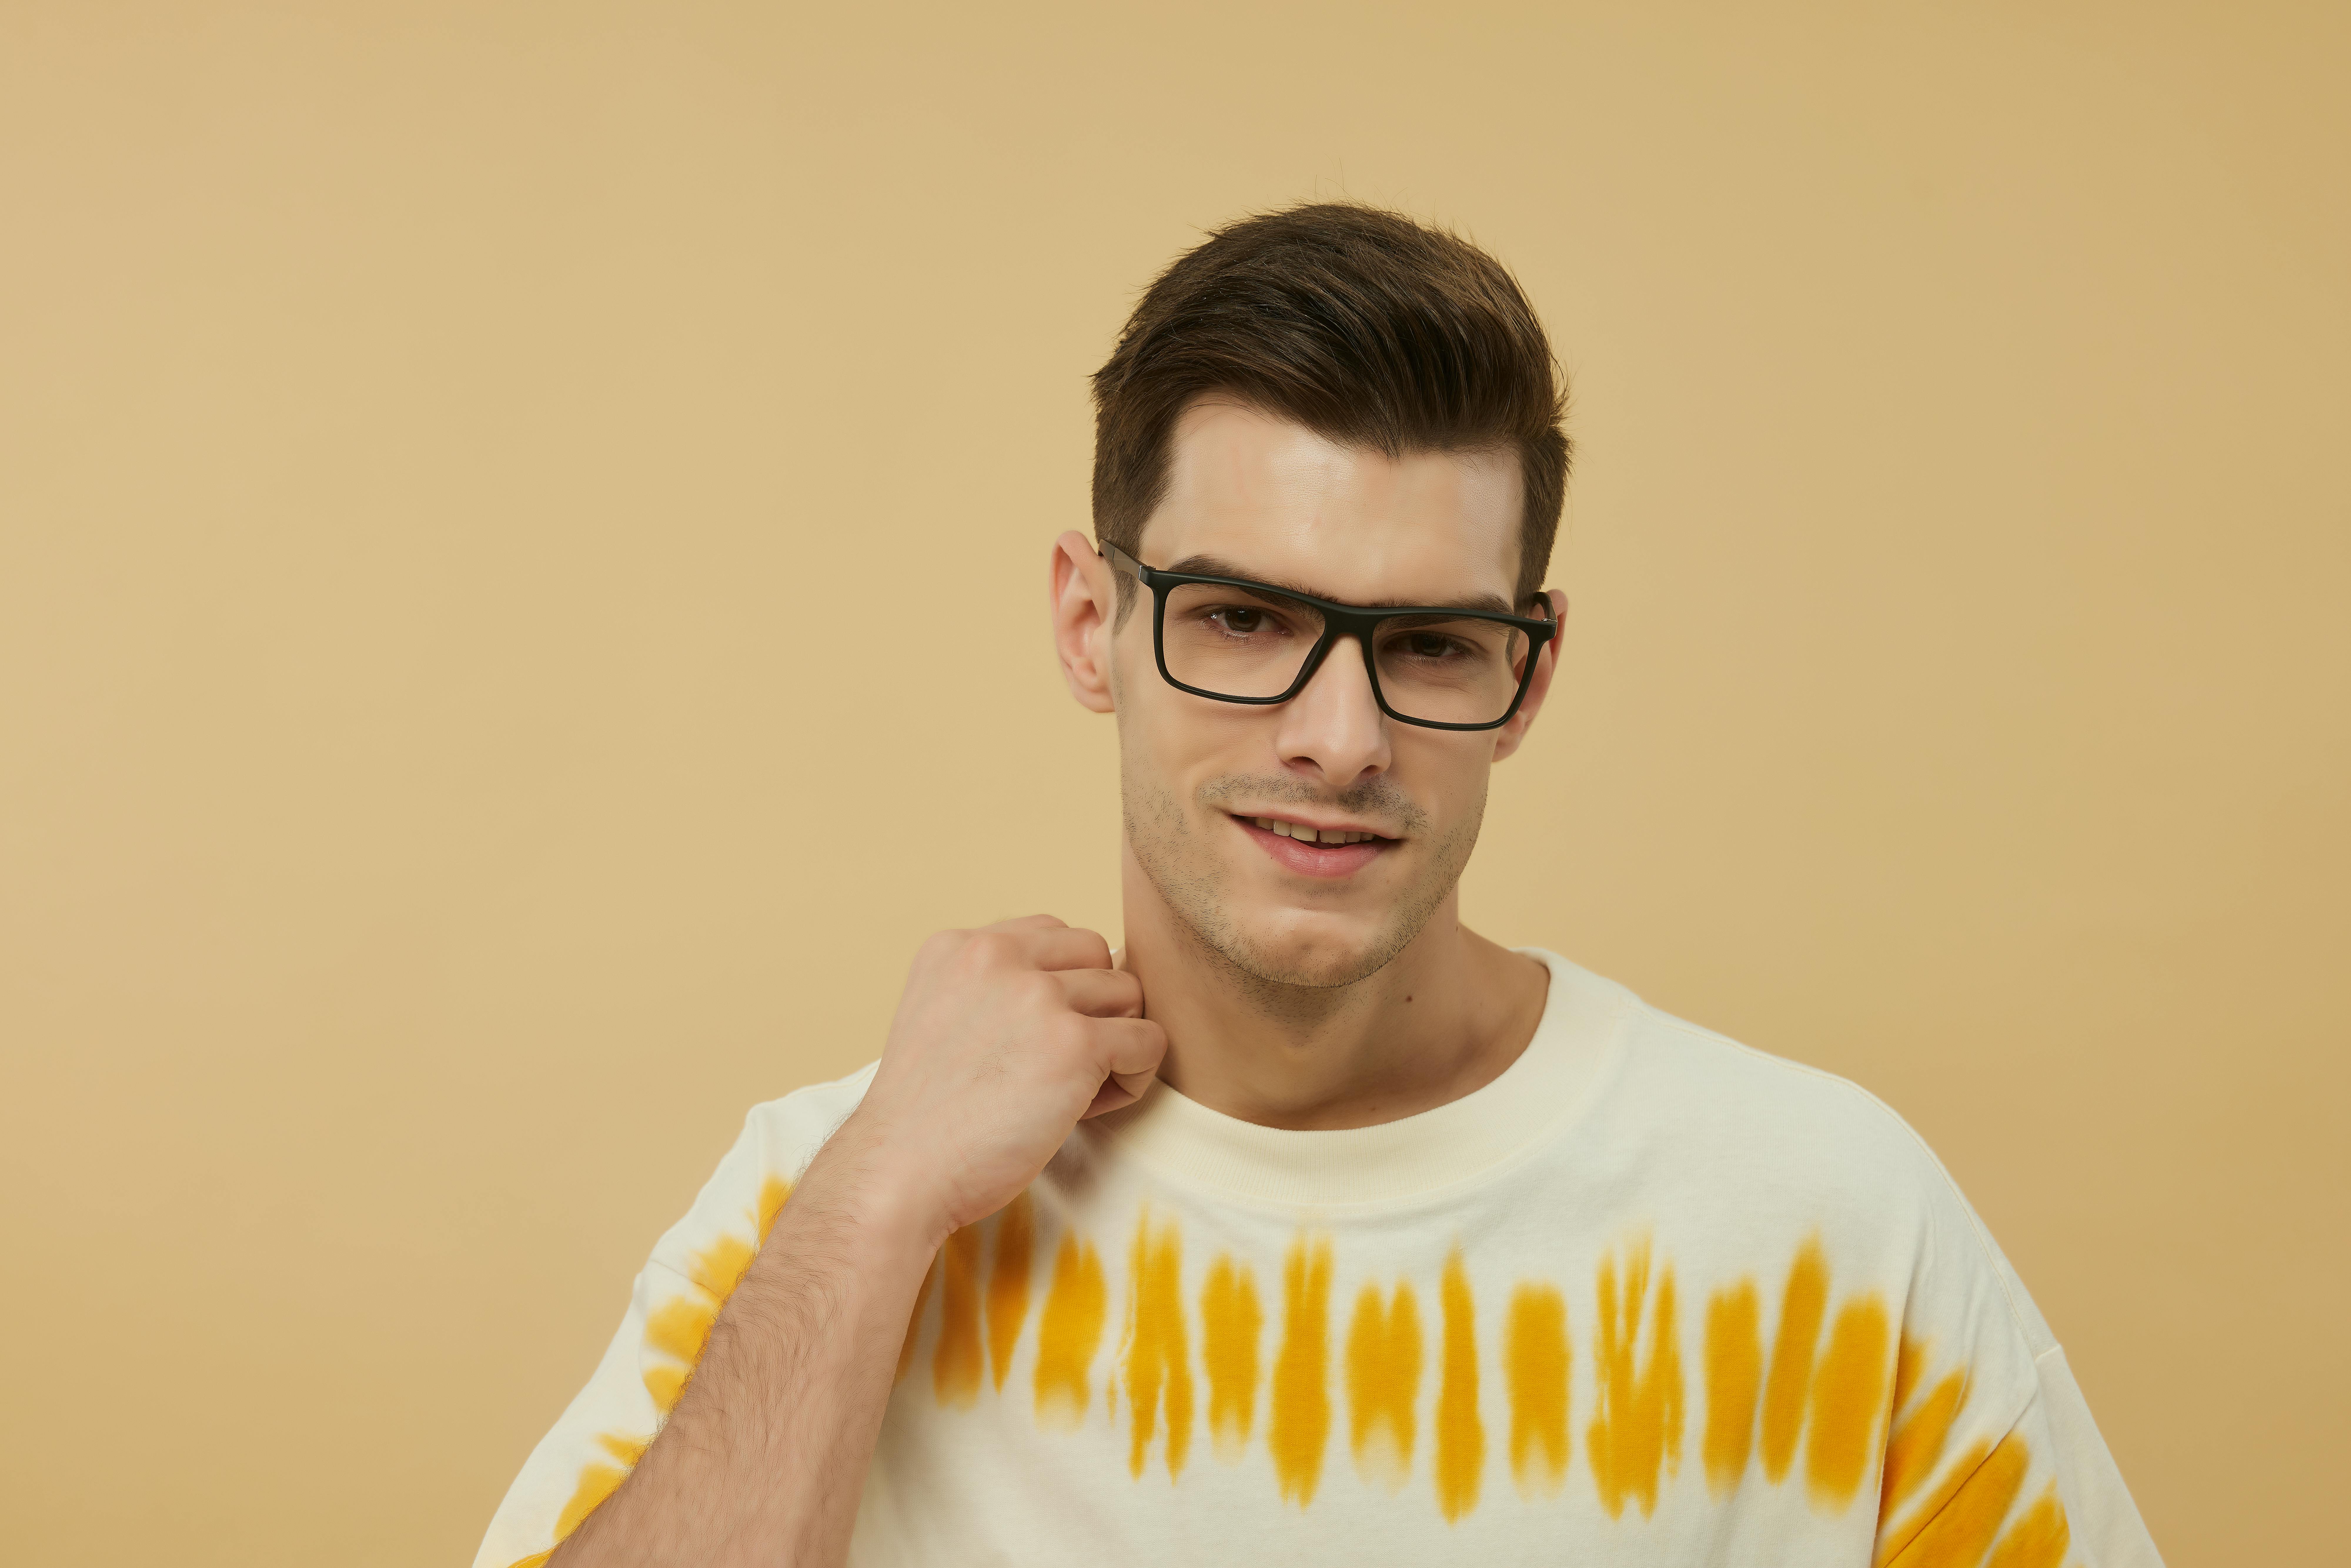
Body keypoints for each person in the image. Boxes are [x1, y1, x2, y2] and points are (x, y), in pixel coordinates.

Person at [473, 204, 2161, 1568]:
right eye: (1246, 620)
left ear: (1534, 670)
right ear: (1091, 623)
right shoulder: (831, 1199)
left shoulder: (1826, 1218)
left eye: (1430, 643)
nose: (1340, 738)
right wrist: (874, 1209)